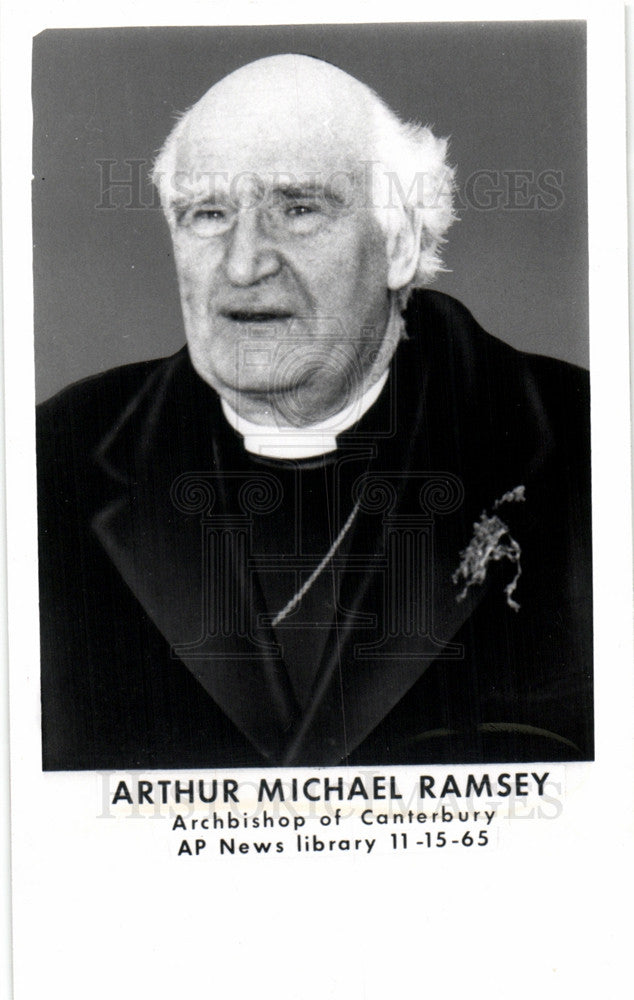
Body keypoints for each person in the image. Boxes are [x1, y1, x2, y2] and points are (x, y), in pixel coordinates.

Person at [37, 54, 593, 770]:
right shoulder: (50, 457)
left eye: (298, 209)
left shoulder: (587, 443)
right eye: (207, 214)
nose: (242, 265)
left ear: (399, 243)